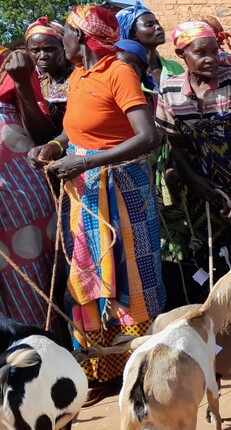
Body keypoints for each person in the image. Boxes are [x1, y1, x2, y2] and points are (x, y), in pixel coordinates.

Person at [29, 4, 163, 404]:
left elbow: (148, 136)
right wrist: (54, 146)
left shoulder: (118, 72)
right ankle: (100, 369)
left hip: (122, 191)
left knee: (130, 277)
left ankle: (142, 369)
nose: (61, 38)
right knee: (89, 278)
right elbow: (77, 131)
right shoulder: (79, 76)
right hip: (86, 191)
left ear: (82, 38)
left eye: (65, 32)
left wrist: (85, 160)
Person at [155, 21, 231, 266]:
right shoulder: (169, 89)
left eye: (214, 52)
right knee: (212, 252)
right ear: (180, 54)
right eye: (201, 53)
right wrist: (195, 181)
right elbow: (175, 142)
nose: (211, 59)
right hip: (199, 183)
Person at [0, 46, 57, 329]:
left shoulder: (10, 66)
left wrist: (22, 84)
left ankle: (41, 361)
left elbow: (45, 136)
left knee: (31, 287)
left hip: (19, 203)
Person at [115, 1, 182, 87]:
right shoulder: (126, 71)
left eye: (157, 23)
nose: (158, 27)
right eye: (149, 25)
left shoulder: (175, 67)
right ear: (133, 33)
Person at [25, 17, 72, 130]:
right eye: (35, 51)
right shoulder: (35, 82)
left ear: (64, 48)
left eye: (49, 49)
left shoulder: (78, 79)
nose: (42, 56)